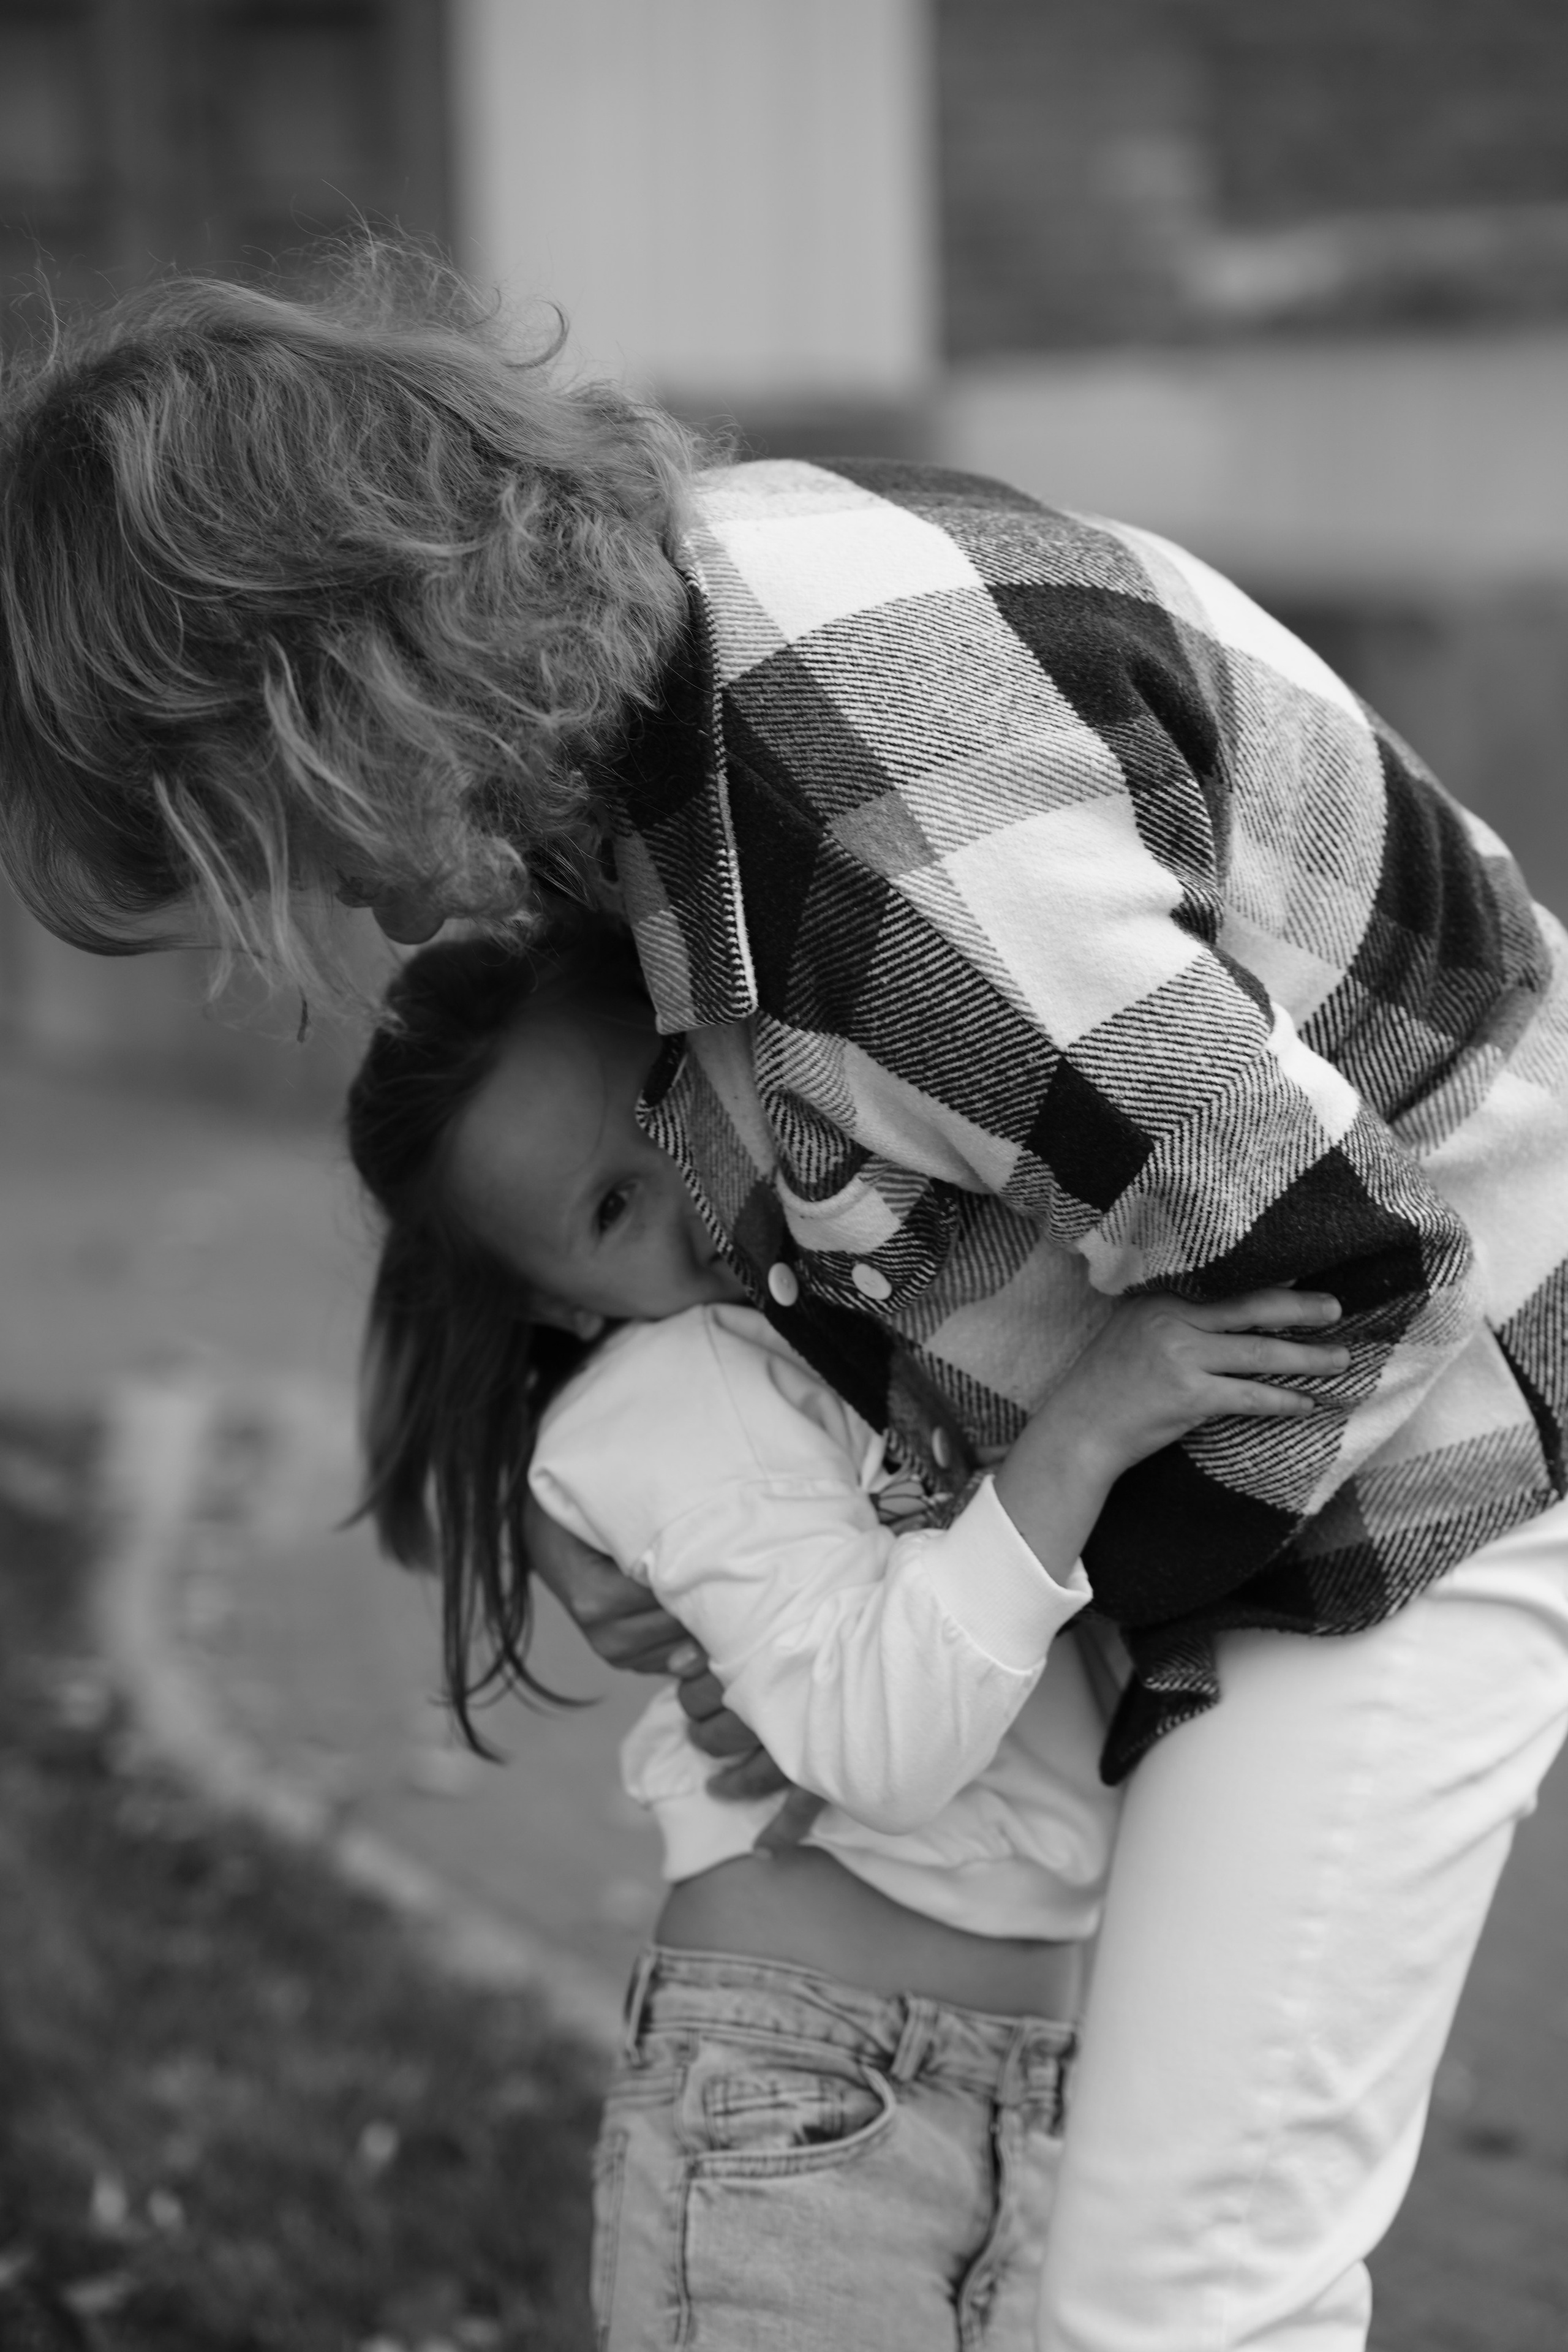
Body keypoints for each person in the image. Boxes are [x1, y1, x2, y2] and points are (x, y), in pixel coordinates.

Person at [3, 245, 1567, 2347]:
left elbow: (1337, 1270)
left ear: (340, 682)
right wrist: (621, 1496)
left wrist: (976, 1617)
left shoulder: (876, 815)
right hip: (1261, 1376)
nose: (335, 913)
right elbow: (775, 1219)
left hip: (1429, 1426)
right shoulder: (635, 702)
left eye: (276, 839)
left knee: (1183, 2284)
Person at [345, 922, 1349, 2349]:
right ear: (555, 1301)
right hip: (807, 2099)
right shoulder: (674, 1388)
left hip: (1030, 2095)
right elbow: (877, 1746)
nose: (687, 1194)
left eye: (667, 1108)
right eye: (611, 1210)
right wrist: (1089, 1426)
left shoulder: (868, 1305)